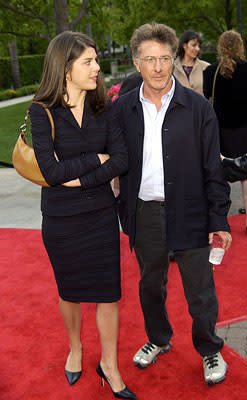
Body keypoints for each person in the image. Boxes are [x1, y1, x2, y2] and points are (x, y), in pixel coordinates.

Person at [114, 22, 232, 386]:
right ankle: (158, 338)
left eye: (165, 58)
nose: (159, 66)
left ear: (173, 58)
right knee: (150, 285)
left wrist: (219, 219)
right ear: (137, 64)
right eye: (150, 59)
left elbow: (213, 167)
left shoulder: (197, 108)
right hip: (145, 213)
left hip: (192, 212)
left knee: (200, 290)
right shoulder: (123, 110)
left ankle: (209, 348)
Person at [30, 31, 137, 400]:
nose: (96, 68)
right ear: (65, 67)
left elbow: (122, 160)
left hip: (100, 217)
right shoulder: (41, 111)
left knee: (109, 294)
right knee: (70, 291)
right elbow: (50, 171)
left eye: (95, 60)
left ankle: (109, 364)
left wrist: (77, 174)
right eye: (88, 61)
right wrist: (96, 160)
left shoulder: (104, 109)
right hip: (61, 222)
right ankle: (75, 348)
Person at [203, 30, 247, 227]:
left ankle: (220, 222)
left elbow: (208, 101)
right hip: (244, 129)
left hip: (221, 132)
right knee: (246, 176)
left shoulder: (210, 72)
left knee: (219, 175)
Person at [173, 29, 209, 95]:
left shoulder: (206, 67)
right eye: (194, 45)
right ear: (184, 46)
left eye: (199, 46)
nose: (197, 49)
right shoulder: (172, 68)